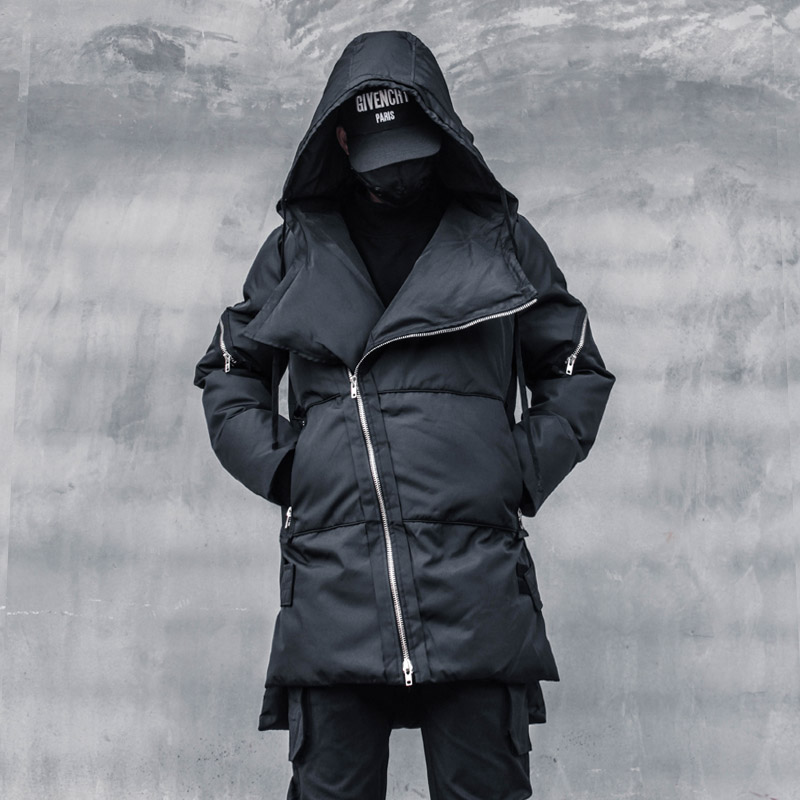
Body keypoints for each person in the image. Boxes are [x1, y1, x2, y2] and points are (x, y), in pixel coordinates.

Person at [194, 30, 615, 800]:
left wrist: (517, 468)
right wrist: (289, 468)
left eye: (414, 149)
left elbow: (573, 366)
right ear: (341, 139)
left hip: (475, 592)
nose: (400, 169)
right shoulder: (297, 251)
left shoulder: (499, 242)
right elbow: (230, 369)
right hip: (336, 595)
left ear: (443, 133)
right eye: (381, 152)